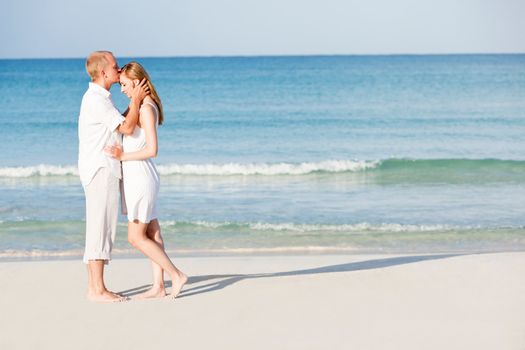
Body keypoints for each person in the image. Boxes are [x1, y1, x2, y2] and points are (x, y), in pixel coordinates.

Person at [105, 61, 187, 299]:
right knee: (152, 233)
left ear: (137, 81)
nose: (121, 89)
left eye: (124, 84)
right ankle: (158, 286)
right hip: (139, 177)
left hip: (141, 178)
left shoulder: (146, 109)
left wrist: (122, 156)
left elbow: (152, 149)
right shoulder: (139, 105)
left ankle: (177, 275)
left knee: (135, 237)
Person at [78, 51, 149, 302]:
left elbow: (120, 122)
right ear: (104, 72)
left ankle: (95, 287)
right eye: (116, 66)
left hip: (98, 169)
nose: (119, 70)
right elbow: (127, 128)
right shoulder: (97, 100)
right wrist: (138, 100)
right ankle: (97, 290)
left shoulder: (99, 99)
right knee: (100, 228)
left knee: (98, 227)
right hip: (101, 170)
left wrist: (133, 102)